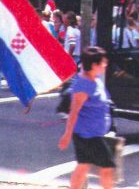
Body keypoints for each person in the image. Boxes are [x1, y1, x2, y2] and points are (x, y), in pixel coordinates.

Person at [58, 47, 115, 189]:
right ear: (94, 65)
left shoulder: (94, 79)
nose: (105, 65)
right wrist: (67, 135)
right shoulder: (83, 85)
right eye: (103, 62)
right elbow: (74, 112)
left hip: (89, 133)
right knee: (107, 167)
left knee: (83, 166)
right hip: (89, 135)